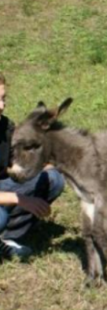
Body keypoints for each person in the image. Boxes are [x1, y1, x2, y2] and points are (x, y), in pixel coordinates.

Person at [0, 72, 65, 259]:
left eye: (3, 99)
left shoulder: (4, 127)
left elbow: (14, 165)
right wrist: (19, 198)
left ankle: (8, 239)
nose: (2, 106)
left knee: (53, 179)